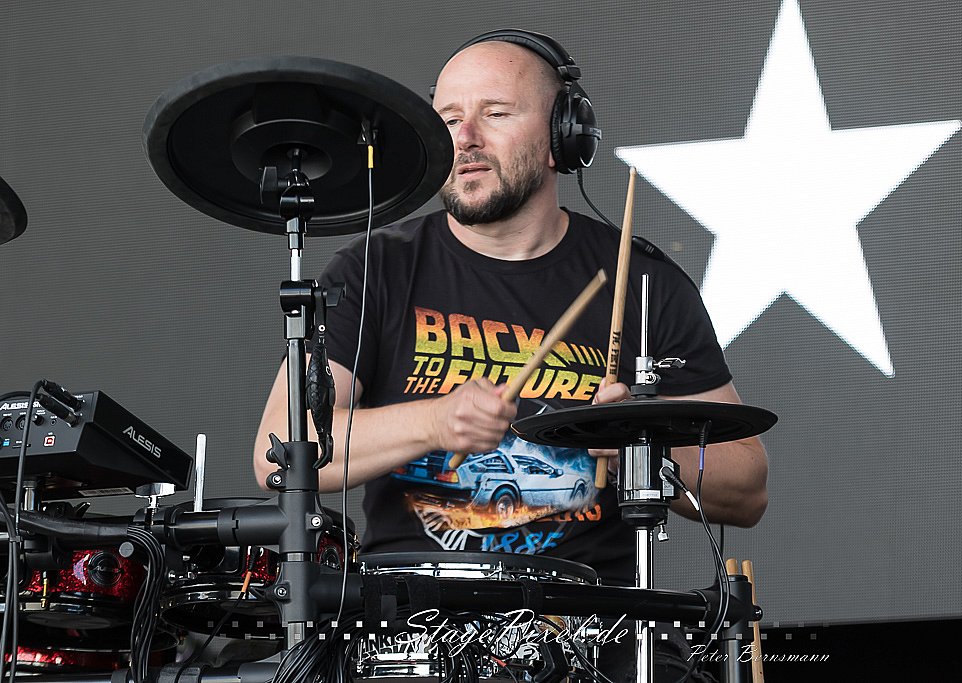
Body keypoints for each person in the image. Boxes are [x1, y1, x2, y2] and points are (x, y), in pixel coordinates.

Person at [254, 29, 767, 681]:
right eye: (448, 120)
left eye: (495, 113)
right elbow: (278, 450)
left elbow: (748, 487)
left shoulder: (642, 281)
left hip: (588, 631)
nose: (465, 138)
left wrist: (637, 444)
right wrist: (435, 421)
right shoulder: (371, 270)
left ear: (562, 137)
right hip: (408, 629)